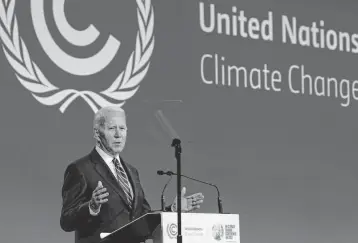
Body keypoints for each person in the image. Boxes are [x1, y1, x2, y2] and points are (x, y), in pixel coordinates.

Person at [60, 106, 204, 243]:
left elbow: (144, 217)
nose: (118, 134)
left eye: (122, 128)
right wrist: (91, 206)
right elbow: (66, 221)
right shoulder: (80, 169)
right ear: (97, 133)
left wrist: (172, 210)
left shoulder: (132, 171)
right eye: (112, 128)